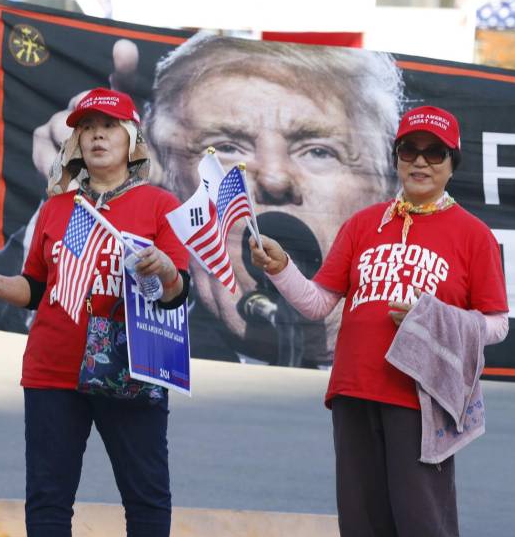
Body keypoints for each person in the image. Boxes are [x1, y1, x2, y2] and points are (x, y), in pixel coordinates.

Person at [250, 106, 509, 537]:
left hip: (420, 397)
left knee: (424, 527)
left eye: (434, 153)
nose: (420, 161)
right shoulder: (364, 224)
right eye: (409, 150)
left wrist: (431, 317)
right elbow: (318, 303)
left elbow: (497, 324)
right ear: (395, 158)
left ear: (452, 163)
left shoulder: (472, 234)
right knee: (364, 528)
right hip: (353, 390)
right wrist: (282, 270)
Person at [0, 88, 189, 537]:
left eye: (107, 127)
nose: (96, 136)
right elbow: (35, 286)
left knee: (145, 485)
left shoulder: (159, 204)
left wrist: (164, 271)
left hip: (131, 364)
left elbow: (180, 292)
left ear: (131, 139)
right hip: (52, 367)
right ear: (76, 142)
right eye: (86, 128)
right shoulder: (58, 207)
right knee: (48, 488)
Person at [144, 33, 404, 367]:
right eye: (226, 147)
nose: (274, 178)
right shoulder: (150, 361)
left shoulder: (414, 356)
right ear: (169, 178)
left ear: (386, 188)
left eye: (318, 151)